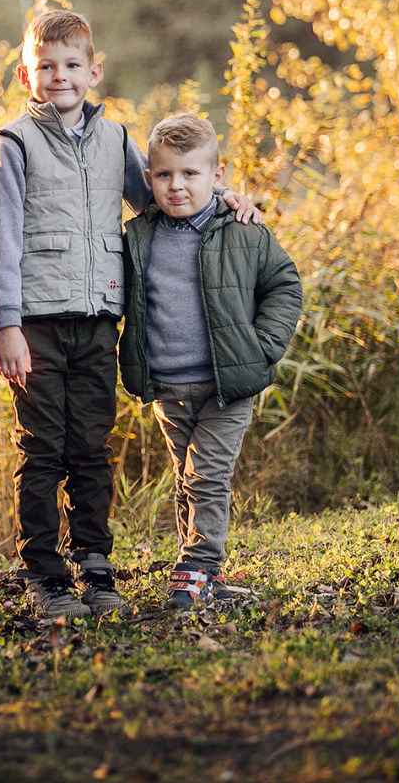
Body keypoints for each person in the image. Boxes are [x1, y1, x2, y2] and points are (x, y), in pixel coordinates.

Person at [0, 10, 258, 620]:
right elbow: (2, 238)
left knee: (90, 445)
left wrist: (226, 198)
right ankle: (45, 575)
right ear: (25, 74)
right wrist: (5, 322)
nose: (59, 76)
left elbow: (167, 194)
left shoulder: (115, 140)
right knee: (41, 448)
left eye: (71, 65)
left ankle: (95, 564)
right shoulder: (13, 143)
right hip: (35, 323)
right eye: (46, 67)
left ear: (94, 69)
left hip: (97, 322)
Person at [120, 113, 302, 608]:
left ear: (216, 177)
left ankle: (198, 565)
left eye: (190, 174)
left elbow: (284, 286)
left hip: (227, 384)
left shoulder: (242, 230)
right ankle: (201, 569)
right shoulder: (139, 236)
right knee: (186, 477)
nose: (176, 186)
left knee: (207, 474)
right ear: (149, 177)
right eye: (163, 175)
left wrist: (260, 347)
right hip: (168, 386)